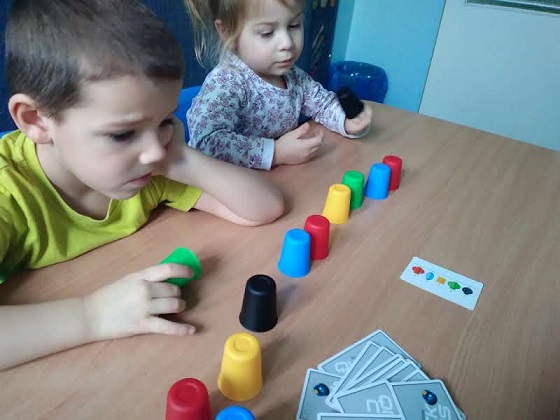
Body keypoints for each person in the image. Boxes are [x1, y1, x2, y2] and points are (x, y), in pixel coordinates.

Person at [0, 0, 284, 370]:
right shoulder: (8, 193)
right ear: (36, 120)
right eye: (123, 134)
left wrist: (183, 160)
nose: (154, 151)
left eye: (165, 121)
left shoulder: (151, 166)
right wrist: (92, 316)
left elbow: (264, 208)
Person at [184, 0, 372, 170]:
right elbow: (207, 143)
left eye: (294, 25)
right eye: (267, 33)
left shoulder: (294, 76)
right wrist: (275, 153)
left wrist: (346, 121)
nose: (287, 43)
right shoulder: (226, 82)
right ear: (227, 33)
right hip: (225, 185)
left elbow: (323, 104)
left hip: (279, 178)